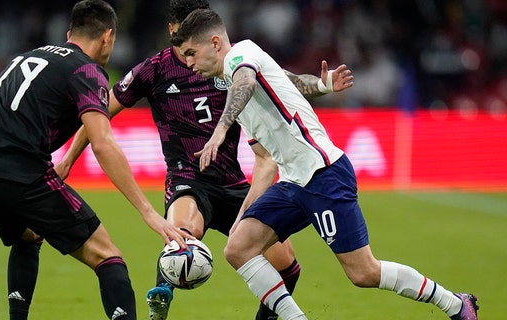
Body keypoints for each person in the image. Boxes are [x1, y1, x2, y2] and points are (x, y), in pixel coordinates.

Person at [171, 8, 479, 320]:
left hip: (324, 174)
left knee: (364, 273)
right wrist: (321, 86)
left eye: (192, 53)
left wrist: (221, 129)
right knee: (238, 247)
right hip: (292, 183)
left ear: (215, 42)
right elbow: (283, 100)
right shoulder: (230, 83)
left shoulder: (243, 55)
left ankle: (455, 303)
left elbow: (246, 80)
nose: (189, 64)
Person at [54, 1, 354, 319]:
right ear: (173, 31)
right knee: (185, 230)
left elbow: (284, 81)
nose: (191, 47)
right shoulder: (153, 69)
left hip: (232, 181)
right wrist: (69, 159)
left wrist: (322, 84)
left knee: (287, 264)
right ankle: (163, 292)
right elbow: (100, 113)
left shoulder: (232, 61)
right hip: (187, 178)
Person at [0, 1, 191, 320]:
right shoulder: (87, 70)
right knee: (108, 256)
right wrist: (148, 211)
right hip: (17, 174)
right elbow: (103, 143)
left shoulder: (27, 56)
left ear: (69, 33)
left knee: (28, 234)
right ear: (107, 37)